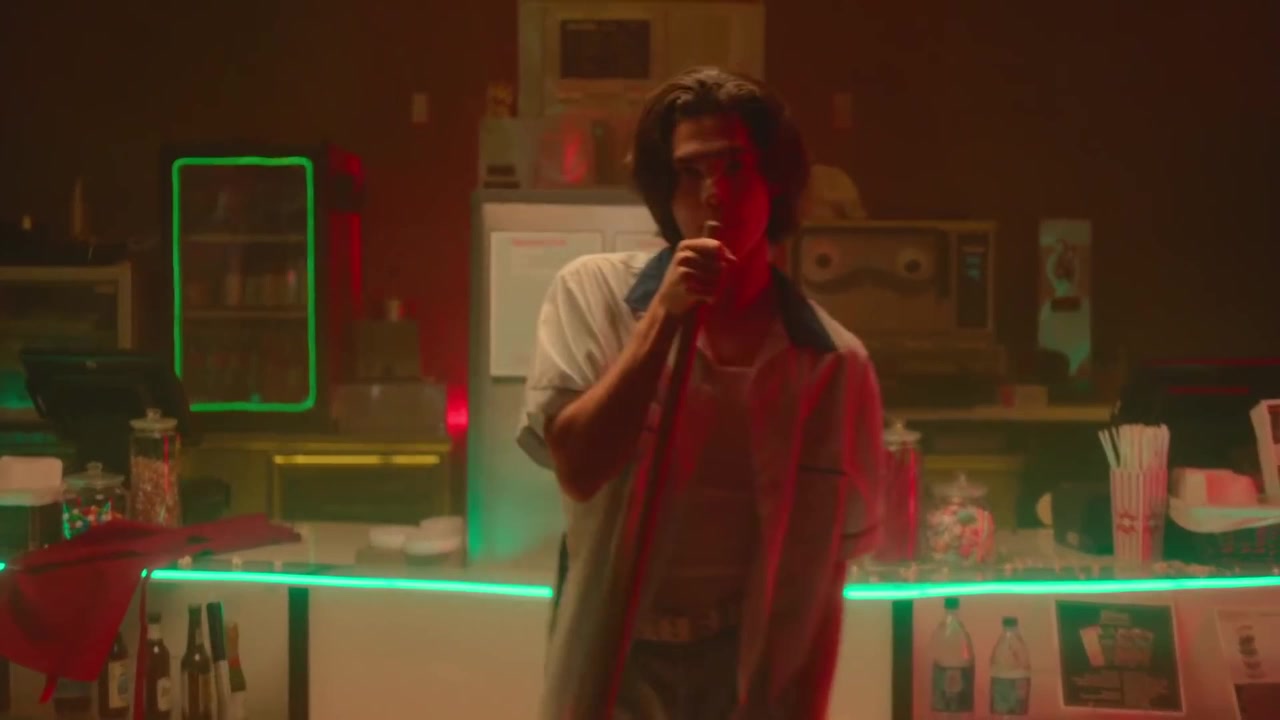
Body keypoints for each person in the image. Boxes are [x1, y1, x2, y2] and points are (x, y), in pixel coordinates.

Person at [517, 66, 885, 719]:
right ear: (666, 190)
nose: (713, 192)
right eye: (690, 172)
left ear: (775, 181)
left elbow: (825, 587)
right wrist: (663, 319)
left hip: (742, 667)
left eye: (735, 167)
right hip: (618, 661)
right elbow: (577, 466)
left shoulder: (834, 365)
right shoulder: (594, 295)